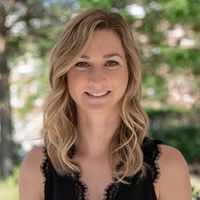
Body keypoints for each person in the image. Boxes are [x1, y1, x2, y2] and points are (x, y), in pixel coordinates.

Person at [19, 9, 192, 200]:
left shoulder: (168, 166)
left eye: (111, 62)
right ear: (64, 74)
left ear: (130, 72)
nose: (97, 78)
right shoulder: (36, 168)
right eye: (82, 63)